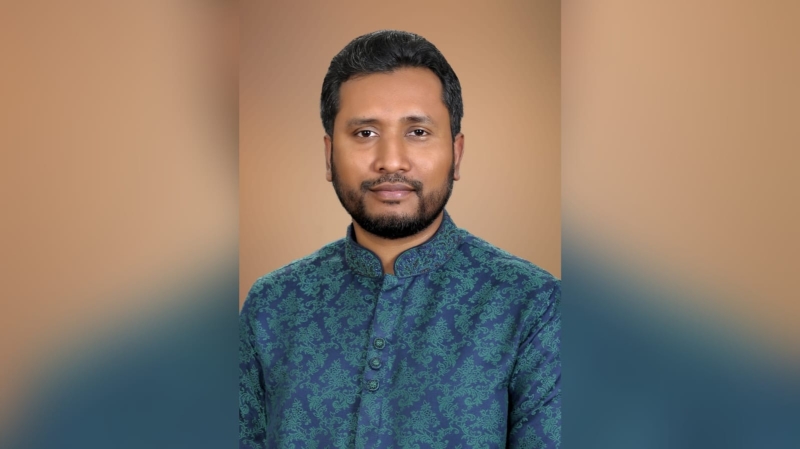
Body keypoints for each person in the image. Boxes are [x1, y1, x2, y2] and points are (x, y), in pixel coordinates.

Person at [239, 30, 561, 449]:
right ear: (329, 155)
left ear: (456, 153)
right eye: (365, 134)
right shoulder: (272, 306)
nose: (391, 161)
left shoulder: (532, 305)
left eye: (418, 132)